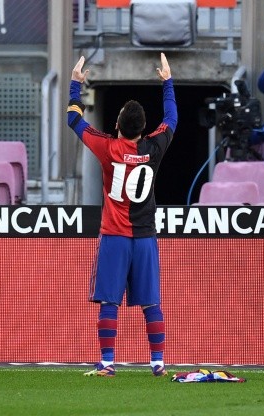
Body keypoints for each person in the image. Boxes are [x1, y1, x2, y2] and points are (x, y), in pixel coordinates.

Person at [67, 53, 177, 377]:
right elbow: (172, 118)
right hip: (144, 238)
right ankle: (157, 364)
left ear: (117, 125)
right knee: (151, 303)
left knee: (108, 302)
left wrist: (76, 84)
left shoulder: (107, 148)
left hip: (114, 236)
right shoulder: (155, 147)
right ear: (144, 129)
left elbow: (74, 120)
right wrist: (167, 82)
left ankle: (107, 362)